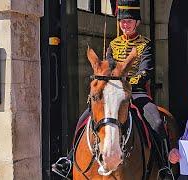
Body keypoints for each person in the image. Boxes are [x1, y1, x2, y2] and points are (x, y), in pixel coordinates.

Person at [52, 0, 170, 178]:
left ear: (137, 22)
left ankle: (163, 165)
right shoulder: (113, 45)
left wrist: (125, 83)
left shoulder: (144, 44)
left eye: (129, 21)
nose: (125, 24)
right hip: (111, 92)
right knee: (84, 119)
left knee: (157, 122)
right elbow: (107, 67)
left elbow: (146, 71)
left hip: (135, 91)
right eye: (123, 21)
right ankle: (69, 160)